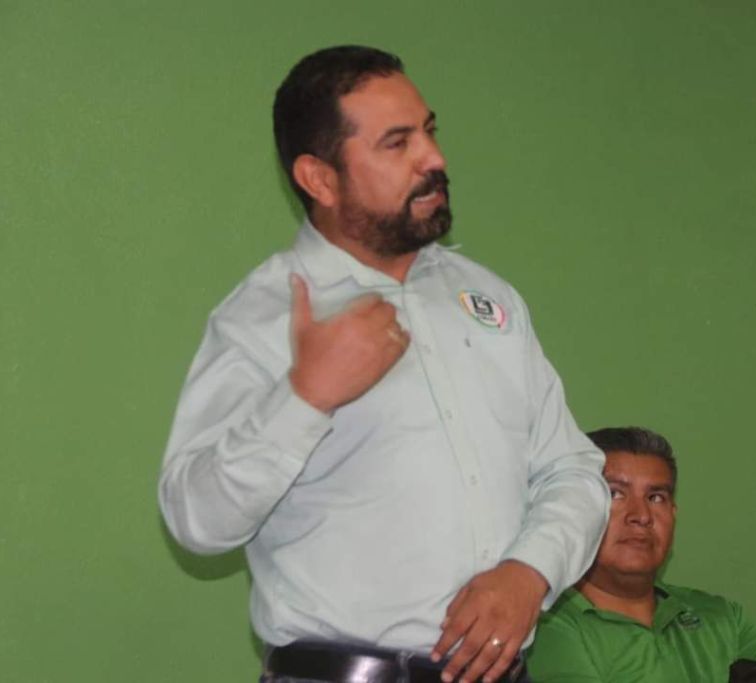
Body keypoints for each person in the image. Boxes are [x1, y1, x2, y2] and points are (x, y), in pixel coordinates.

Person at [158, 45, 609, 683]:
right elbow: (195, 520)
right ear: (319, 179)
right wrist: (305, 396)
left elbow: (573, 469)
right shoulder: (263, 315)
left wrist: (530, 572)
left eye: (428, 131)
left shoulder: (488, 299)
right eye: (397, 144)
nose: (434, 159)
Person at [527, 427, 756, 682]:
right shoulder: (545, 625)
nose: (641, 516)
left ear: (673, 513)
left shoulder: (722, 616)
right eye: (615, 494)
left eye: (656, 497)